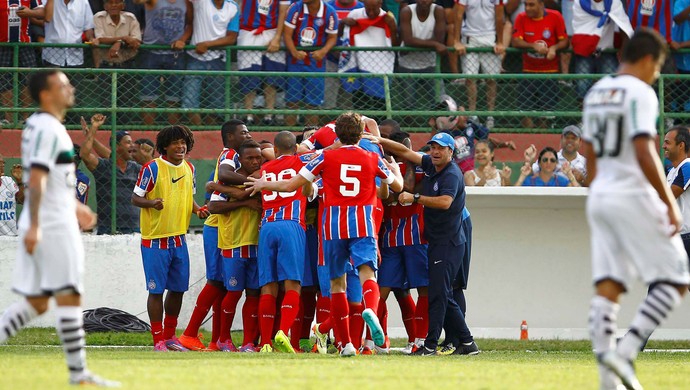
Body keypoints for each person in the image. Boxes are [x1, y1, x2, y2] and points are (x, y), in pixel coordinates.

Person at [245, 112, 404, 357]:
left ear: (336, 134)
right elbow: (396, 189)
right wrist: (394, 170)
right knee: (367, 273)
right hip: (362, 224)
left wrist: (264, 185)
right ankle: (370, 310)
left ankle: (347, 344)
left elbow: (292, 186)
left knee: (336, 285)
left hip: (332, 227)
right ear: (361, 133)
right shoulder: (373, 157)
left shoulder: (324, 157)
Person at [582, 28, 690, 390]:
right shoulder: (640, 92)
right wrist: (667, 203)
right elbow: (644, 150)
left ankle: (607, 382)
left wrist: (596, 191)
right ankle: (626, 351)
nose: (656, 75)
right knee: (677, 278)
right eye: (657, 68)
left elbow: (590, 151)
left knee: (608, 287)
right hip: (631, 193)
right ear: (647, 60)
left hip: (601, 196)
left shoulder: (596, 92)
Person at [0, 70, 118, 386]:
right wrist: (37, 224)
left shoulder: (49, 127)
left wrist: (75, 205)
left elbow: (53, 178)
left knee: (38, 301)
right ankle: (79, 374)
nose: (70, 88)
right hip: (52, 223)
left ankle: (79, 373)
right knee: (68, 295)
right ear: (45, 94)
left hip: (55, 217)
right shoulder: (46, 128)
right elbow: (36, 180)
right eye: (62, 84)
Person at [375, 131, 478, 356]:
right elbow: (405, 151)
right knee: (441, 293)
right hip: (439, 240)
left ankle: (430, 345)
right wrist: (379, 140)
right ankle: (468, 343)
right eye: (432, 147)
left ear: (451, 151)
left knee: (439, 294)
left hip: (448, 241)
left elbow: (444, 202)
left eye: (441, 148)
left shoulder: (451, 174)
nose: (435, 152)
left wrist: (416, 198)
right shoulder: (433, 165)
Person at [131, 125, 210, 351]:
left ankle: (170, 337)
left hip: (179, 239)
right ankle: (158, 341)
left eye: (183, 142)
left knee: (178, 289)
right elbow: (136, 198)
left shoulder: (190, 168)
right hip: (155, 240)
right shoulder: (152, 169)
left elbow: (187, 197)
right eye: (175, 142)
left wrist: (197, 210)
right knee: (156, 290)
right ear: (164, 145)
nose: (180, 146)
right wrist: (151, 203)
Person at [177, 119, 252, 351]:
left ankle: (216, 340)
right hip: (218, 226)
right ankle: (189, 333)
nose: (248, 135)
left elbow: (219, 183)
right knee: (216, 282)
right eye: (243, 132)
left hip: (225, 226)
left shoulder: (235, 155)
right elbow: (226, 176)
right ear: (230, 136)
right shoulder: (230, 154)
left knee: (223, 285)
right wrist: (256, 183)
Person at [256, 131, 315, 353]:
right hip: (291, 224)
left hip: (267, 226)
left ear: (276, 149)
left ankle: (265, 343)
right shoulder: (302, 161)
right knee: (293, 284)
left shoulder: (265, 168)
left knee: (268, 286)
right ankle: (283, 332)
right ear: (296, 147)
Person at [209, 140, 263, 352]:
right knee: (233, 292)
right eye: (250, 158)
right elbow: (213, 206)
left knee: (253, 293)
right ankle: (223, 338)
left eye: (258, 157)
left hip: (257, 244)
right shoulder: (229, 182)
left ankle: (249, 341)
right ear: (239, 159)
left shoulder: (262, 178)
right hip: (233, 243)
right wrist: (244, 202)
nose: (255, 161)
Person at [80, 114, 141, 234]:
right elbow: (85, 155)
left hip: (133, 227)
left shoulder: (136, 168)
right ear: (117, 146)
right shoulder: (103, 167)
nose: (132, 145)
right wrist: (94, 128)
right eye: (128, 143)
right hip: (108, 227)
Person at [511, 0, 568, 129]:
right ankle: (527, 139)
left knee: (546, 116)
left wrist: (554, 48)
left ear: (541, 4)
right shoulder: (521, 17)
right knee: (525, 113)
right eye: (525, 4)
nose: (527, 8)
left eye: (531, 5)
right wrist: (533, 46)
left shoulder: (555, 16)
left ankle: (543, 140)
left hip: (550, 73)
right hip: (528, 72)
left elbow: (565, 41)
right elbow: (515, 41)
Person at [183, 0, 240, 126]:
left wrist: (206, 44)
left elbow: (231, 38)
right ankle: (199, 133)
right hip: (195, 58)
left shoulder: (233, 7)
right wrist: (190, 18)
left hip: (218, 60)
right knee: (189, 101)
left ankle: (209, 135)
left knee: (217, 104)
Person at [135, 0, 191, 125]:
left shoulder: (186, 2)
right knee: (148, 97)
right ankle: (148, 134)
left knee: (174, 98)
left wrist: (183, 39)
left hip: (175, 54)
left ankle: (173, 135)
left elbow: (190, 24)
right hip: (151, 51)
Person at [283, 0, 339, 126]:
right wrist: (294, 52)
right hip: (295, 62)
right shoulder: (295, 8)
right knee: (292, 101)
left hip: (316, 64)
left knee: (313, 104)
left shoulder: (329, 12)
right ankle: (288, 139)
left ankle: (310, 139)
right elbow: (287, 35)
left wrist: (323, 51)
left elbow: (332, 38)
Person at [340, 0, 398, 115]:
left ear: (380, 4)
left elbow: (395, 46)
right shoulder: (355, 14)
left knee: (380, 103)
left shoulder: (388, 18)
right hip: (358, 64)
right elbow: (341, 36)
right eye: (368, 9)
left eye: (374, 9)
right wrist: (342, 23)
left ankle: (378, 130)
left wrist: (392, 27)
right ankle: (361, 129)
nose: (371, 13)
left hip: (381, 66)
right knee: (359, 101)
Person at [453, 0, 505, 129]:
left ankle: (490, 115)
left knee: (492, 79)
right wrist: (457, 40)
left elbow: (499, 16)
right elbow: (458, 14)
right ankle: (472, 114)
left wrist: (500, 41)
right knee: (470, 78)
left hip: (490, 38)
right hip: (470, 37)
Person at [238, 0, 290, 126]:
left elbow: (284, 11)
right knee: (249, 75)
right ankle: (248, 115)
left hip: (272, 31)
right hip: (249, 32)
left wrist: (277, 37)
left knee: (271, 76)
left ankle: (269, 115)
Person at [571, 0, 632, 102]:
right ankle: (583, 114)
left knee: (611, 84)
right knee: (582, 84)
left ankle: (610, 111)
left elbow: (622, 24)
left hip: (606, 50)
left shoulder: (614, 2)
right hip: (584, 50)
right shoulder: (579, 2)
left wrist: (624, 46)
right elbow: (580, 26)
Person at [397, 0, 446, 114]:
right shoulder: (407, 11)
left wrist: (418, 43)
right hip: (407, 65)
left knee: (439, 102)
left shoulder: (438, 10)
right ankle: (409, 130)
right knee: (408, 105)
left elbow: (440, 39)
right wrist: (434, 44)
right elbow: (408, 40)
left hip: (431, 64)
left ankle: (438, 128)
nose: (424, 1)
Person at [0, 0, 44, 126]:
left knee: (28, 79)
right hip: (3, 44)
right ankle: (9, 118)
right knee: (5, 80)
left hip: (25, 44)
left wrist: (29, 12)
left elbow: (43, 12)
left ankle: (25, 117)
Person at [663, 125, 690, 258]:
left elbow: (667, 197)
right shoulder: (672, 170)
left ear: (681, 146)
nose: (663, 146)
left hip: (686, 237)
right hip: (679, 236)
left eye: (667, 142)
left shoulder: (688, 166)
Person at [42, 0, 94, 68]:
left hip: (76, 58)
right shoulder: (48, 1)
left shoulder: (83, 2)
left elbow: (88, 28)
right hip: (52, 57)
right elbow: (47, 18)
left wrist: (91, 39)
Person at [0, 153, 24, 236]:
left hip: (11, 236)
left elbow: (22, 200)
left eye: (3, 163)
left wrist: (20, 182)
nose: (2, 166)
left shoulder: (8, 181)